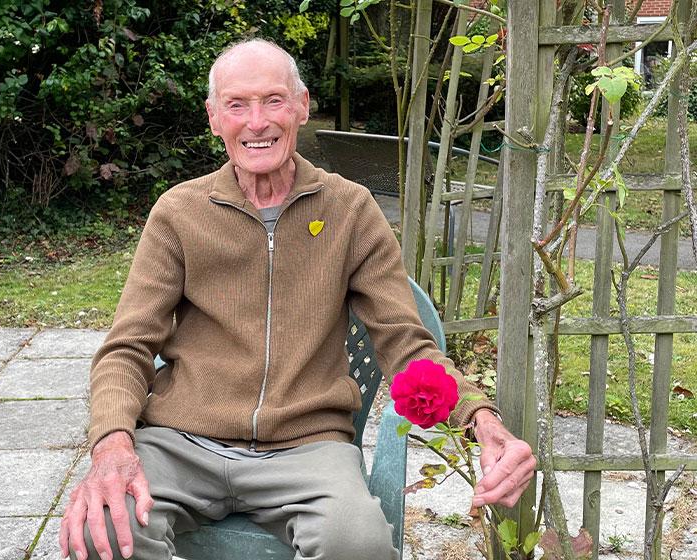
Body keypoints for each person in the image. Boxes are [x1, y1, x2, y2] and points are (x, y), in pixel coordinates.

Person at [60, 39, 536, 560]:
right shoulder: (179, 212)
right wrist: (111, 443)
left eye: (274, 100)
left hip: (308, 450)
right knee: (101, 533)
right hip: (180, 441)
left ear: (302, 106)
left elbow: (406, 346)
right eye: (237, 105)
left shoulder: (351, 210)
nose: (257, 122)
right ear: (215, 117)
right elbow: (127, 347)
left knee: (359, 546)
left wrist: (481, 421)